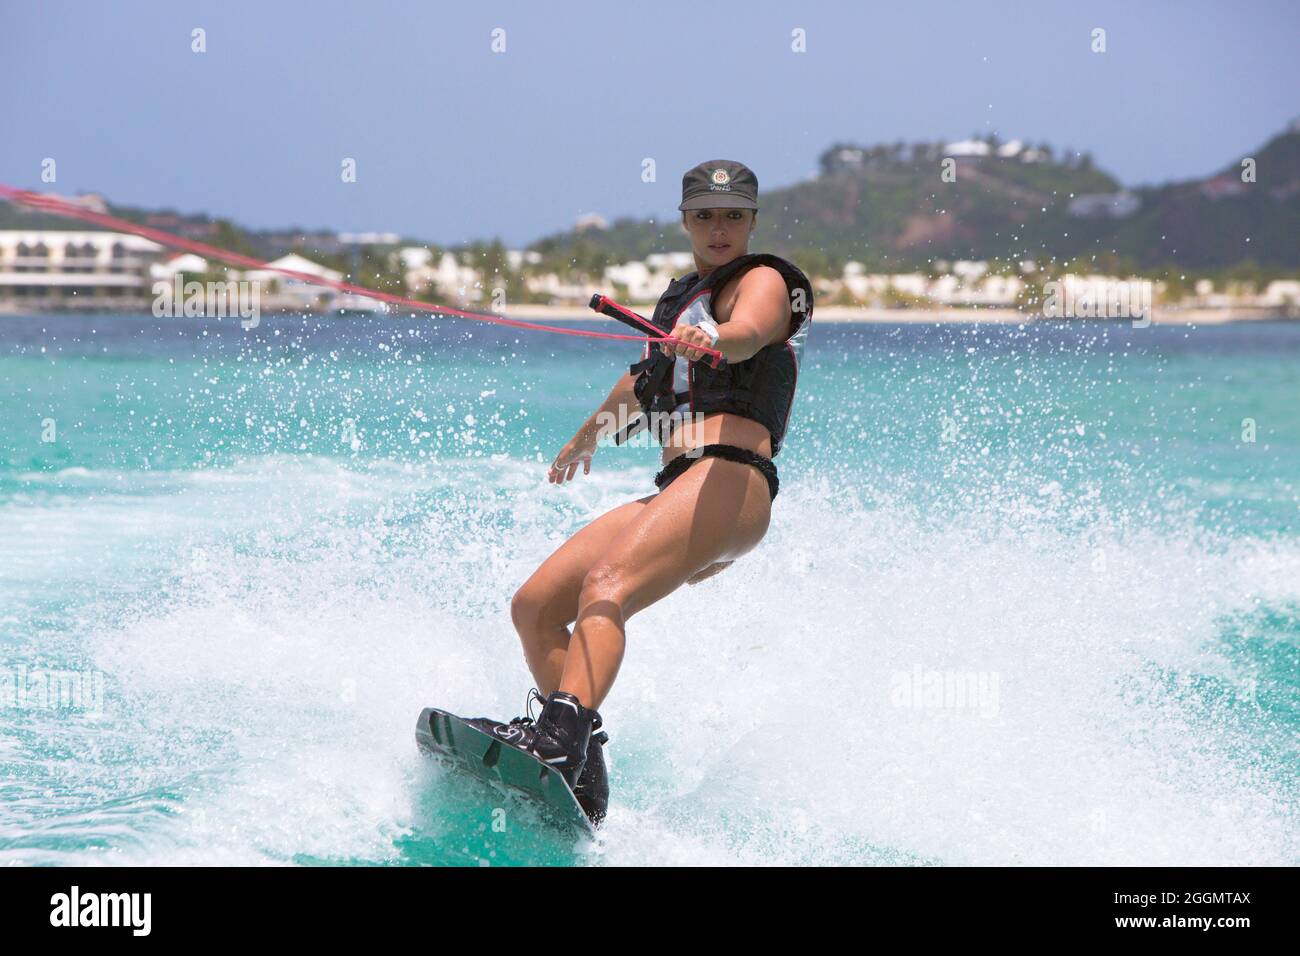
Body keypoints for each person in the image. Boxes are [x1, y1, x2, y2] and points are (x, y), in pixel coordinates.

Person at [468, 160, 814, 826]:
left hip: (734, 477)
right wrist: (586, 439)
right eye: (706, 215)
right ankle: (583, 767)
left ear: (752, 221)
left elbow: (745, 334)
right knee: (535, 607)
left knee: (607, 586)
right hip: (681, 488)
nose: (719, 228)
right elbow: (641, 387)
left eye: (734, 215)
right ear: (685, 219)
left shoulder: (763, 281)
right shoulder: (679, 301)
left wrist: (712, 336)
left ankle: (559, 740)